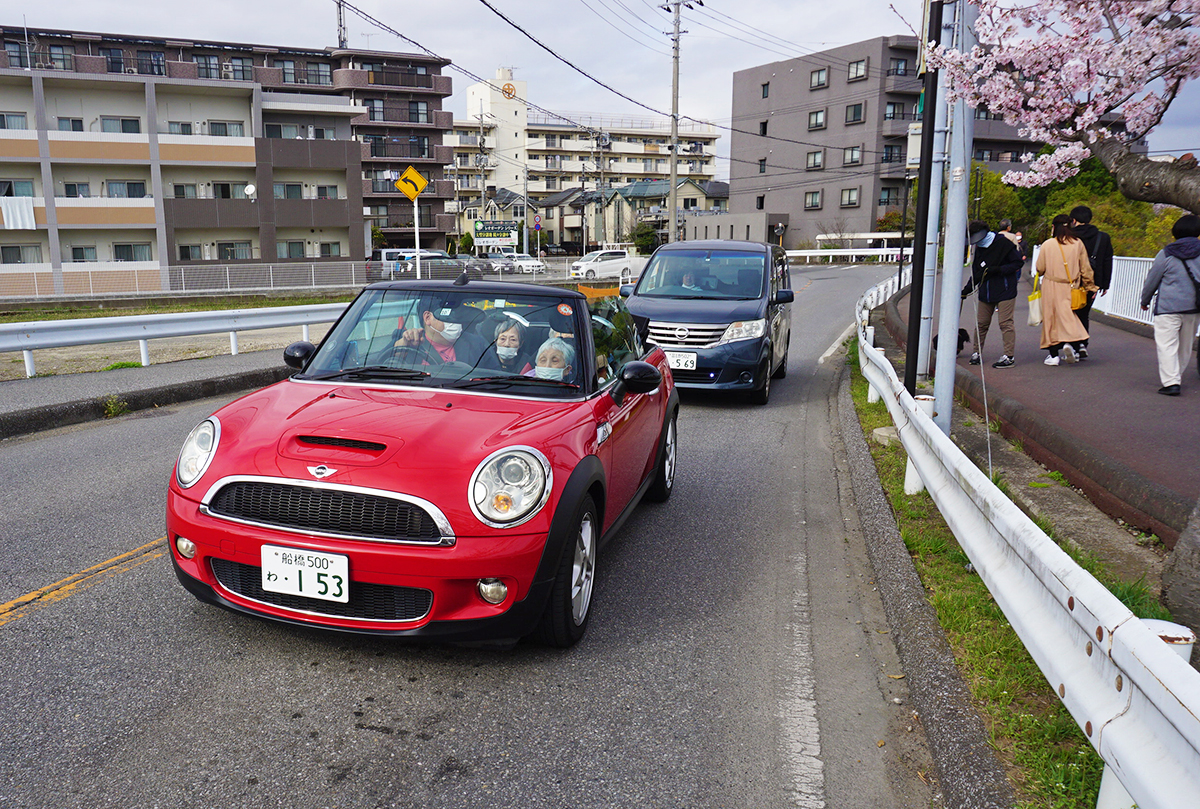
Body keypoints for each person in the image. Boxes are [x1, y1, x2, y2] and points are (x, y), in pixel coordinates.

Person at [1139, 213, 1200, 396]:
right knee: (1185, 345)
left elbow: (1152, 279)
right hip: (1194, 307)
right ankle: (1177, 375)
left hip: (1168, 307)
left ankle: (1171, 382)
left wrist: (1145, 300)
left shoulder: (1166, 253)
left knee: (1167, 345)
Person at [1034, 214, 1097, 365]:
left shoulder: (1048, 244)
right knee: (1069, 315)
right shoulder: (1077, 243)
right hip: (1071, 285)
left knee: (1051, 318)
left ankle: (1053, 355)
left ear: (1054, 227)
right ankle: (1072, 343)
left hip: (1051, 284)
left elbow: (1040, 268)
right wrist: (1090, 286)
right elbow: (1085, 269)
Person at [962, 219, 1025, 368]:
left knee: (1005, 323)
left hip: (1005, 289)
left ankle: (1009, 356)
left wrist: (999, 270)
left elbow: (1017, 263)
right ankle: (977, 353)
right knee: (981, 323)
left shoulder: (1004, 244)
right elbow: (977, 272)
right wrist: (966, 290)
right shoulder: (980, 248)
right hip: (986, 290)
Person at [1069, 205, 1114, 359]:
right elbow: (1108, 261)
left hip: (1070, 281)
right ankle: (1082, 343)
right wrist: (1104, 284)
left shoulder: (1068, 237)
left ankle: (1072, 344)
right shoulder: (1103, 237)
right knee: (1084, 312)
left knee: (1070, 312)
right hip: (1093, 282)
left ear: (1073, 220)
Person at [392, 296, 486, 366]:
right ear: (427, 318)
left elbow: (494, 378)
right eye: (447, 316)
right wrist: (400, 350)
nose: (455, 321)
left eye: (457, 315)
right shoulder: (409, 342)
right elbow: (382, 369)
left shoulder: (477, 344)